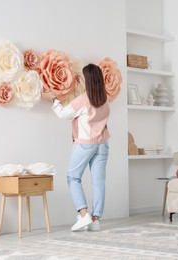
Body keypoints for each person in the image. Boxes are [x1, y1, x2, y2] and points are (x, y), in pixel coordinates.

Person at [43, 63, 110, 231]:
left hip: (85, 144)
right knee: (98, 182)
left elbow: (63, 114)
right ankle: (95, 220)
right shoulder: (104, 100)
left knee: (73, 177)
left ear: (88, 81)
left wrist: (53, 99)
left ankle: (83, 215)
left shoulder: (83, 100)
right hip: (102, 144)